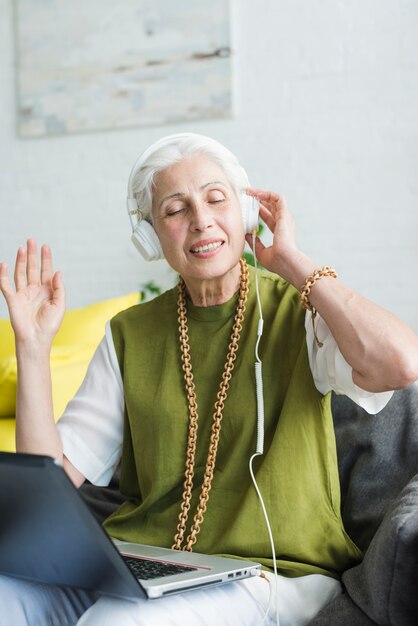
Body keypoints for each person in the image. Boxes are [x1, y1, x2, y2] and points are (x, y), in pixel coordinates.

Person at [1, 133, 418, 626]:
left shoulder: (298, 310)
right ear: (152, 237)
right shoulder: (129, 334)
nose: (200, 219)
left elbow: (401, 363)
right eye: (175, 209)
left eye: (216, 199)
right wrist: (31, 347)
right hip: (143, 567)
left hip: (273, 575)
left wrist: (289, 261)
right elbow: (50, 480)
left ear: (243, 212)